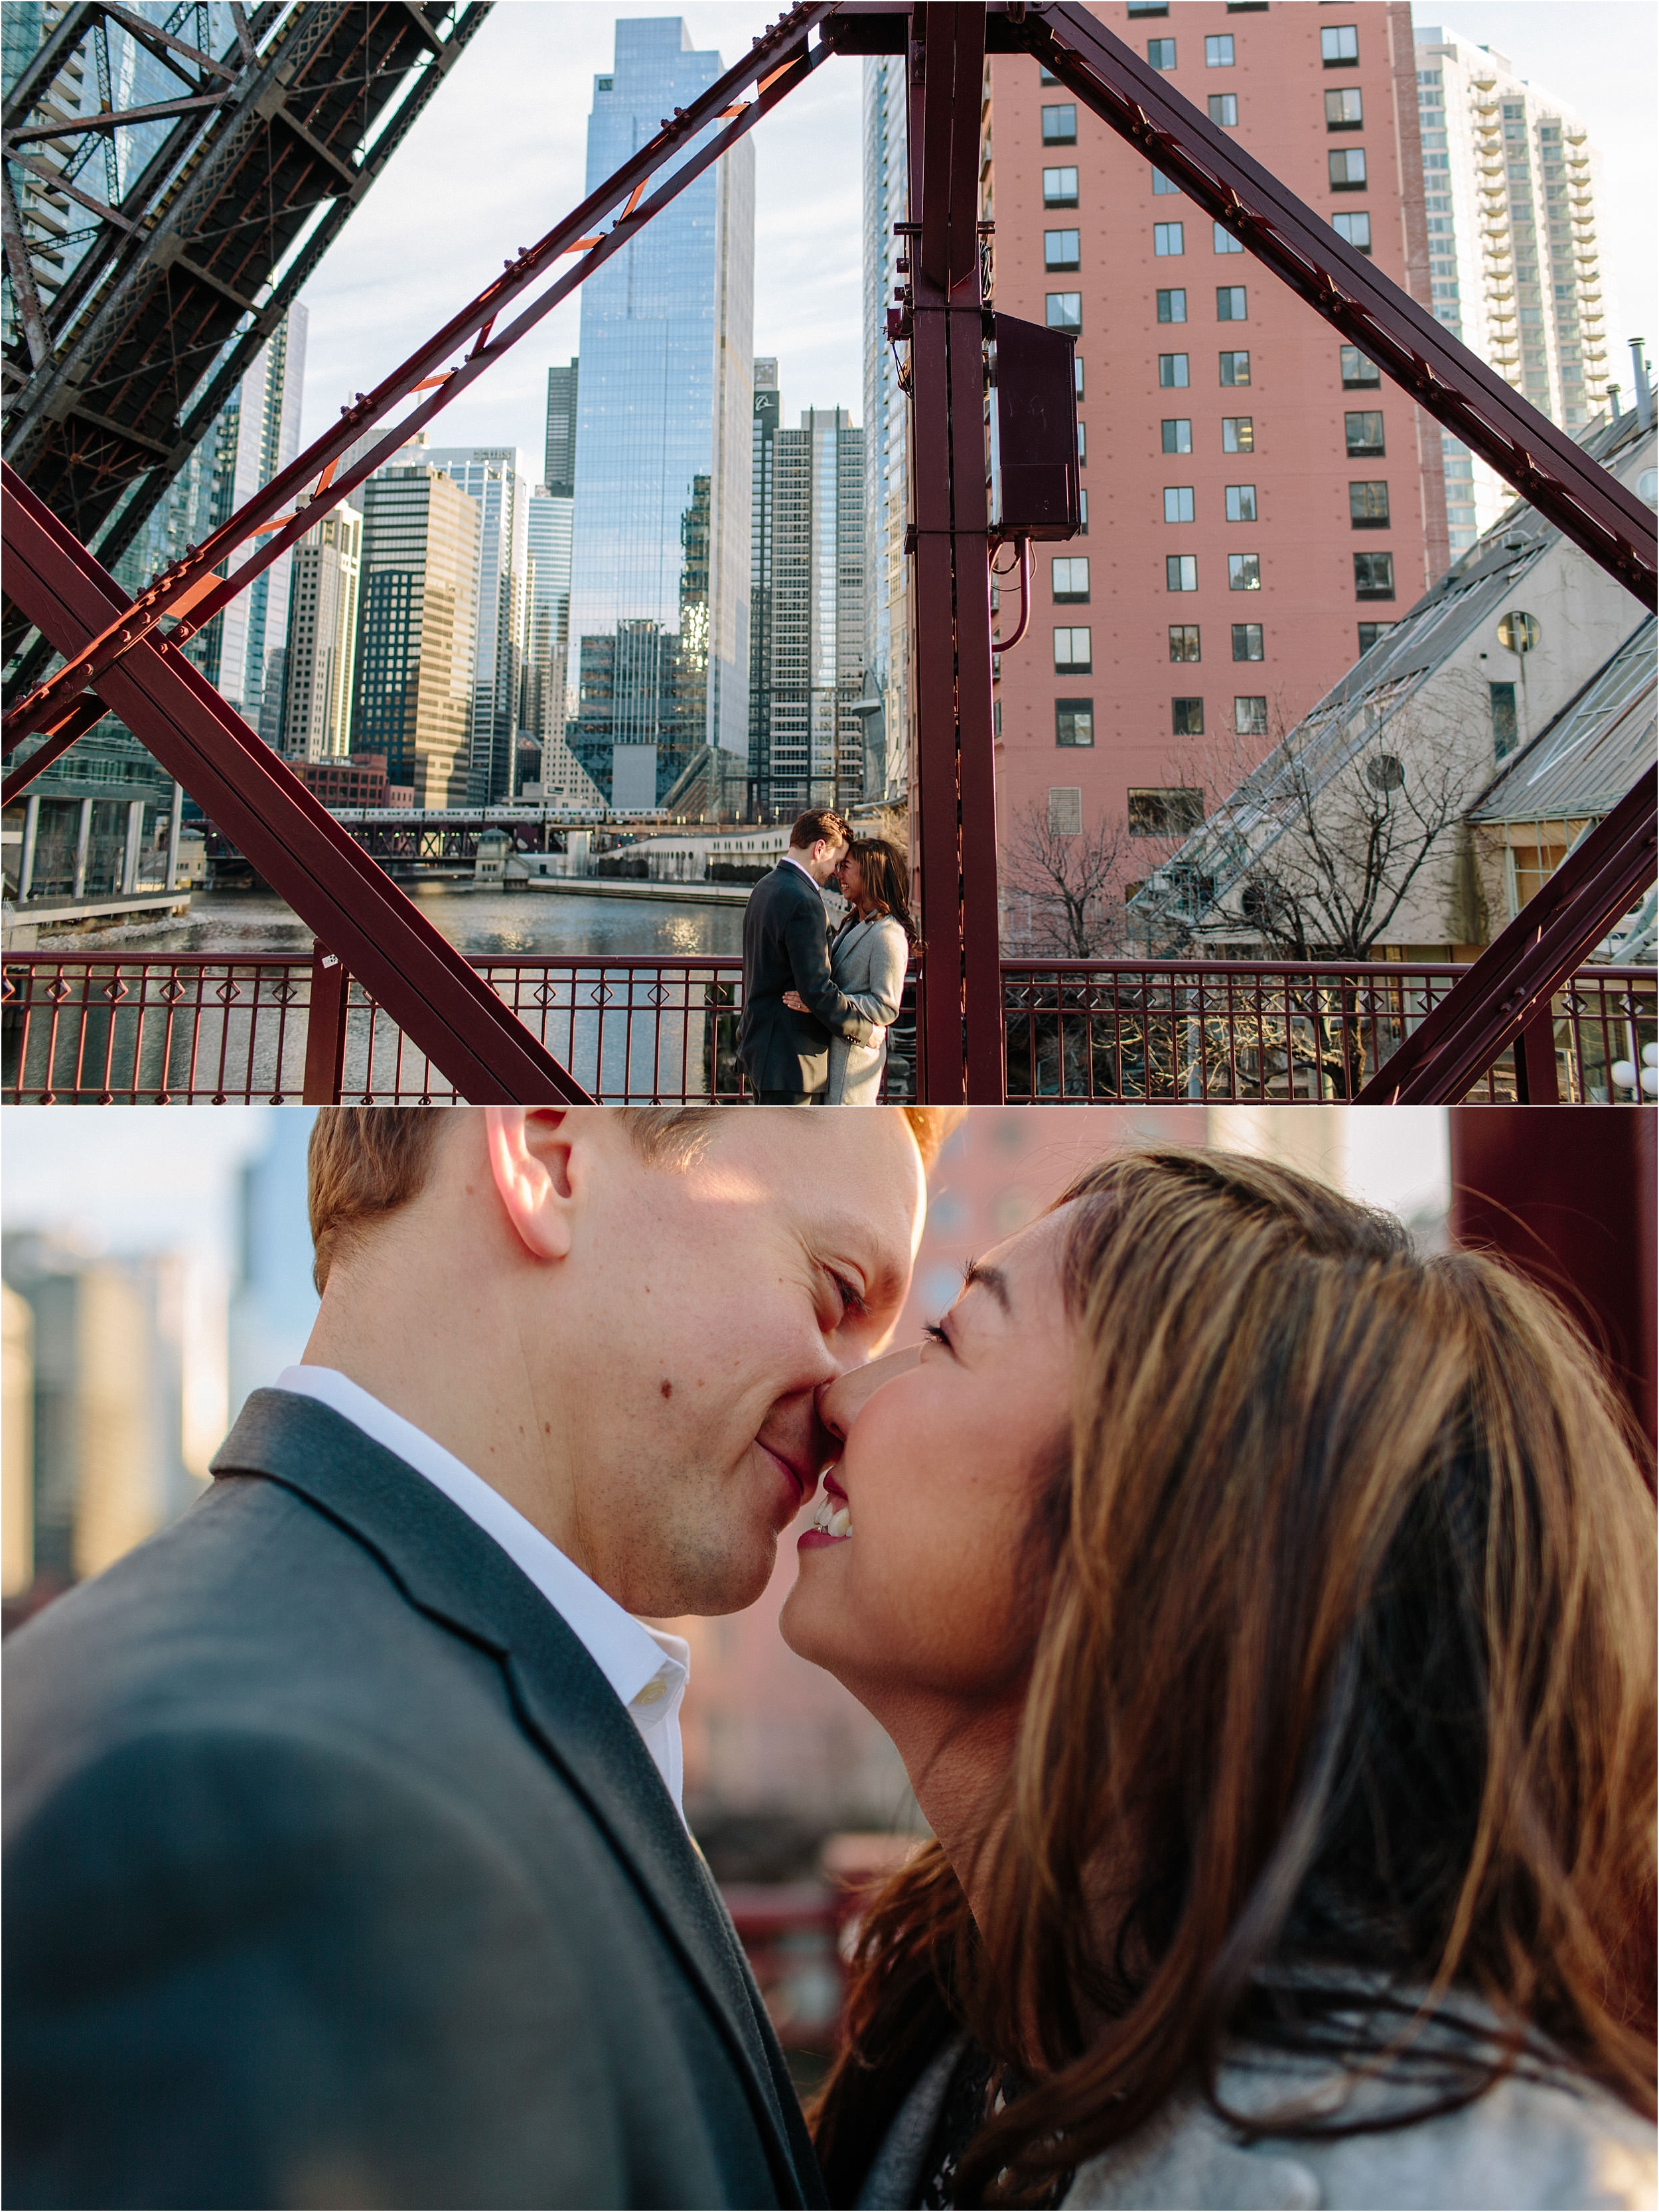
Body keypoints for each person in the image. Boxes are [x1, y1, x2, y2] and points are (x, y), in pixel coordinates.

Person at [3, 1105, 948, 2211]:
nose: (851, 1398)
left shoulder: (288, 1703)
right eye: (839, 1293)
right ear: (547, 1154)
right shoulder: (280, 1811)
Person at [782, 1146, 1657, 2211]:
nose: (843, 1393)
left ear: (1162, 1523)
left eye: (945, 1336)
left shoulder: (1478, 2184)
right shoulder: (957, 2043)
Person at [739, 808, 877, 1104]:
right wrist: (865, 1031)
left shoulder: (763, 888)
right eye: (837, 862)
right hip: (793, 1061)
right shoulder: (805, 901)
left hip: (762, 1050)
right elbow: (817, 989)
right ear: (819, 849)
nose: (835, 873)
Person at [783, 839, 917, 1107]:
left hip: (852, 1064)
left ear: (871, 873)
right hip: (831, 1055)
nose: (838, 874)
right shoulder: (853, 923)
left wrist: (822, 1003)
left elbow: (886, 1007)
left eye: (847, 867)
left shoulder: (888, 934)